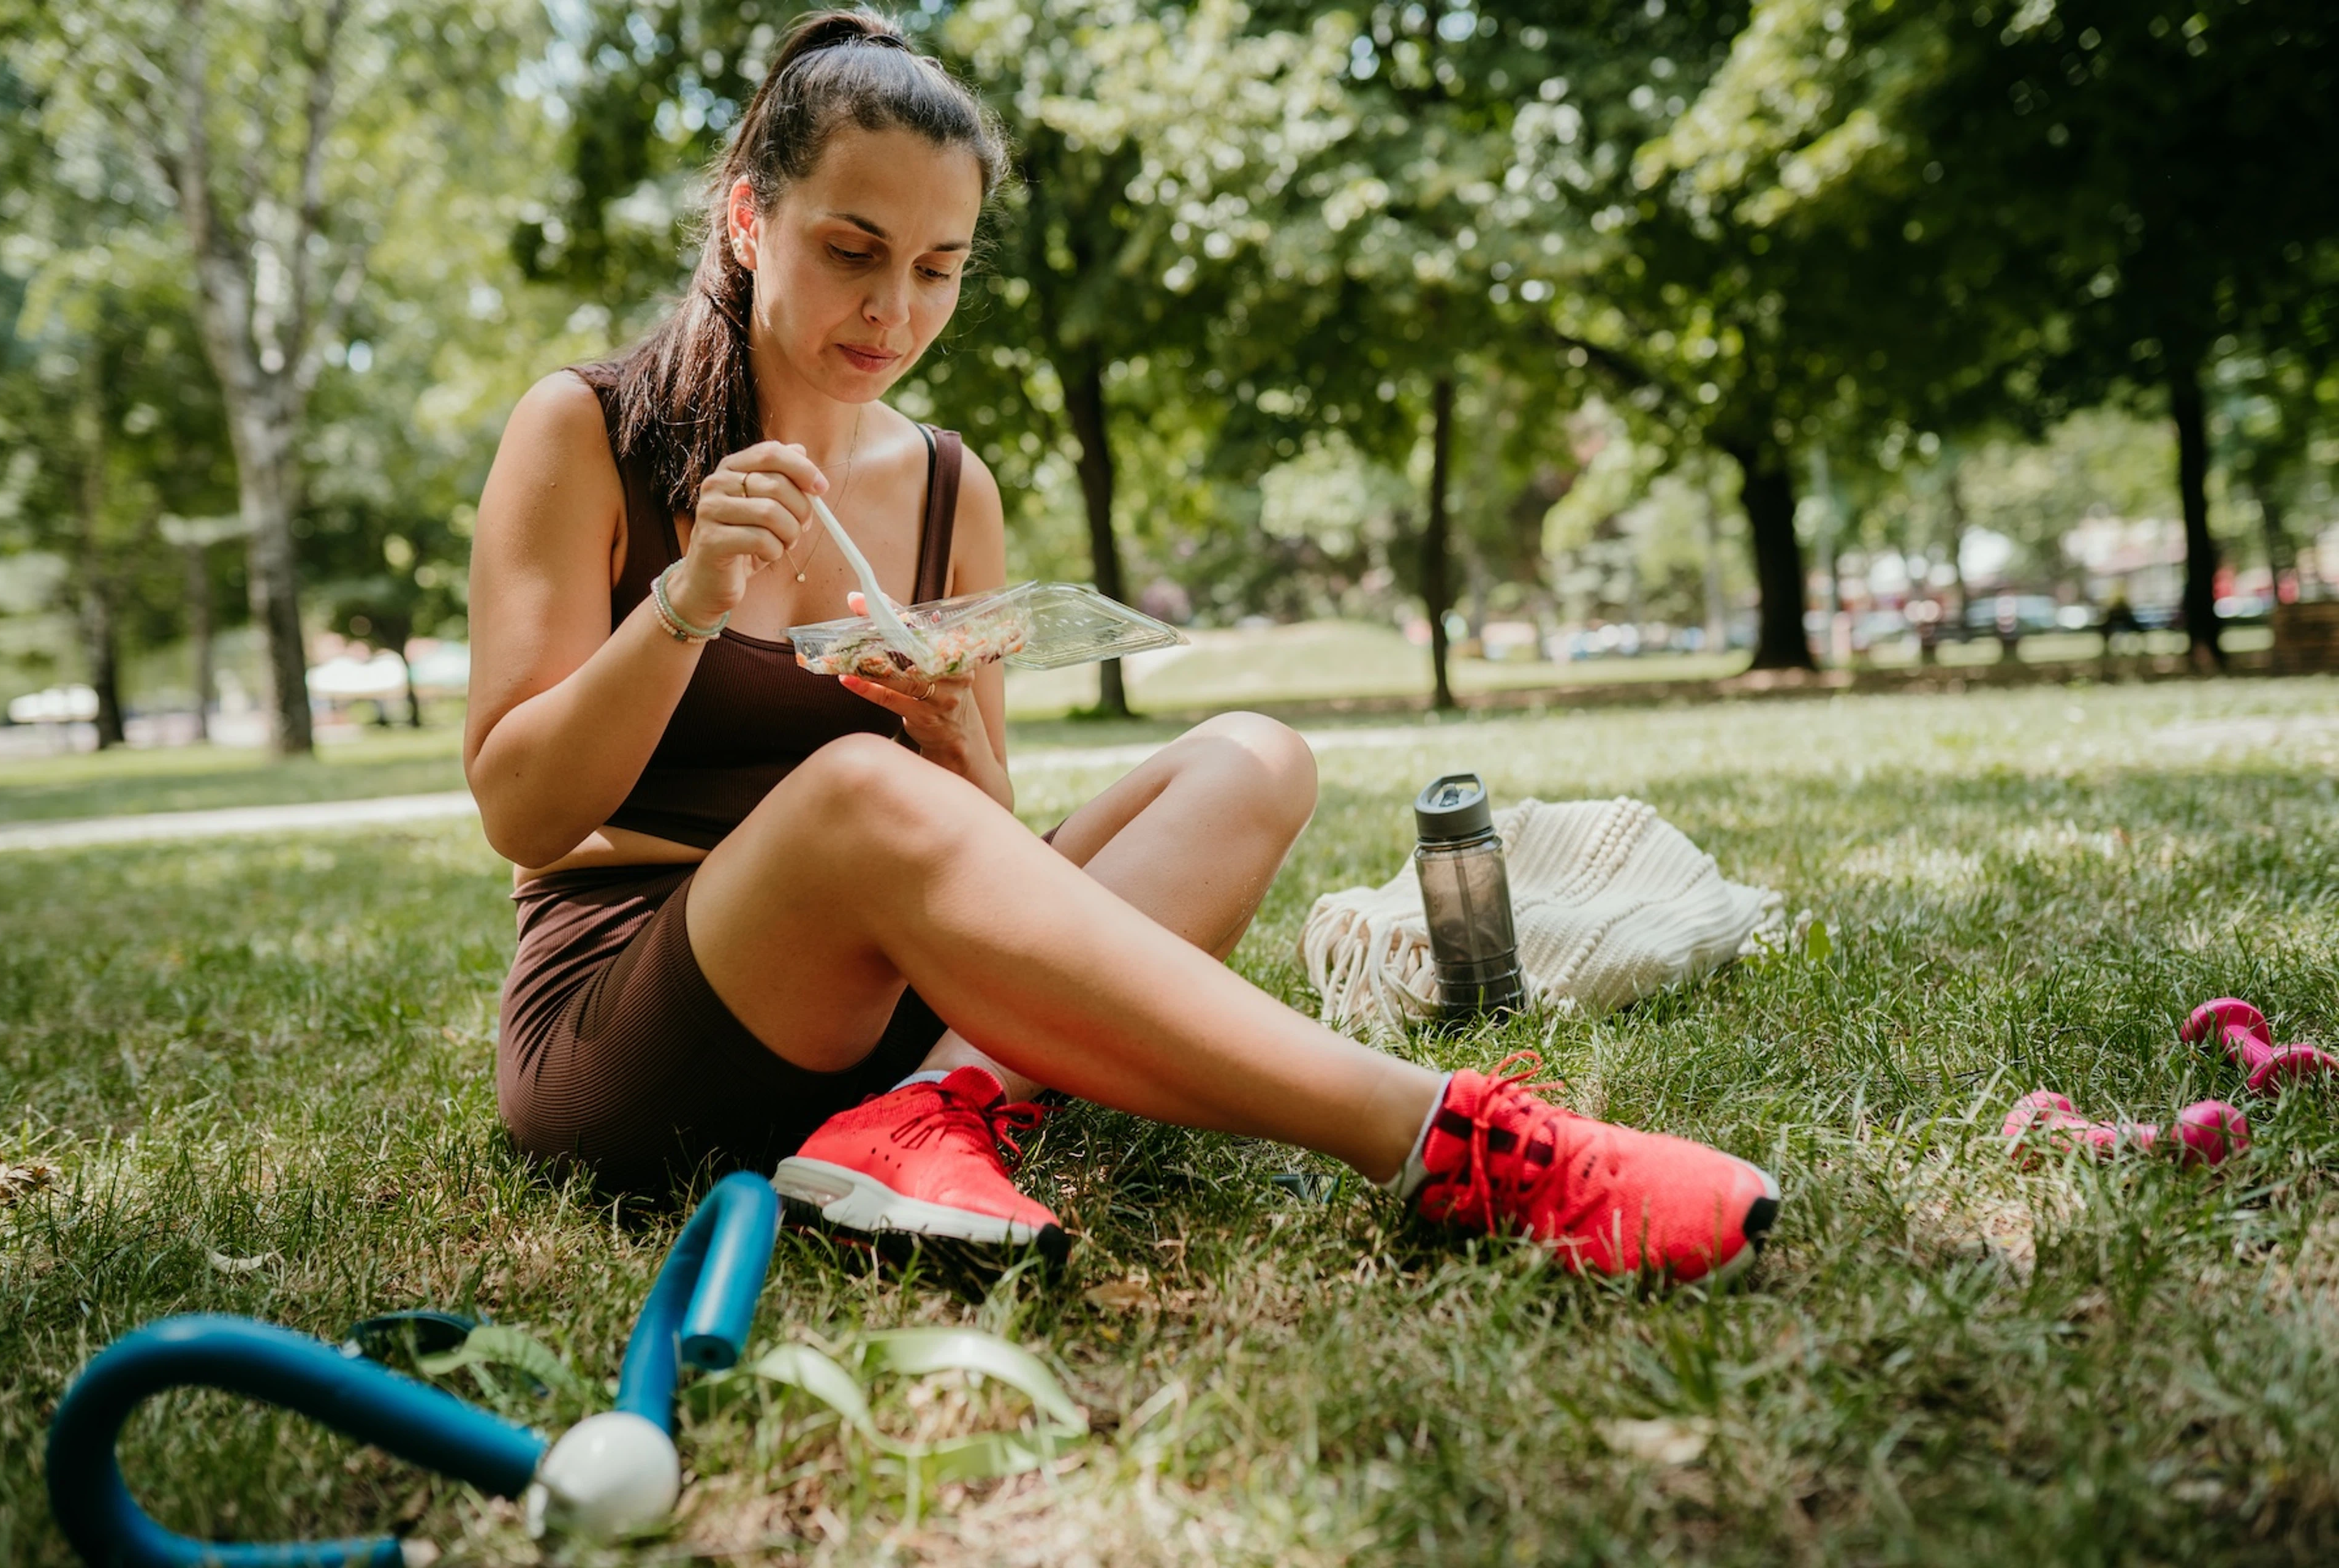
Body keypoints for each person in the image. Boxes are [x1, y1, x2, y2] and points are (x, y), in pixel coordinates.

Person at [464, 9, 1780, 1284]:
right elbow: (524, 811)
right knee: (858, 798)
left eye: (939, 268)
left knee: (1256, 757)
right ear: (752, 220)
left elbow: (978, 834)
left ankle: (928, 1114)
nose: (894, 312)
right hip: (640, 1013)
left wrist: (951, 734)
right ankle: (1447, 1139)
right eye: (854, 250)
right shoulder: (587, 432)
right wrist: (687, 601)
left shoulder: (945, 488)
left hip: (893, 1001)